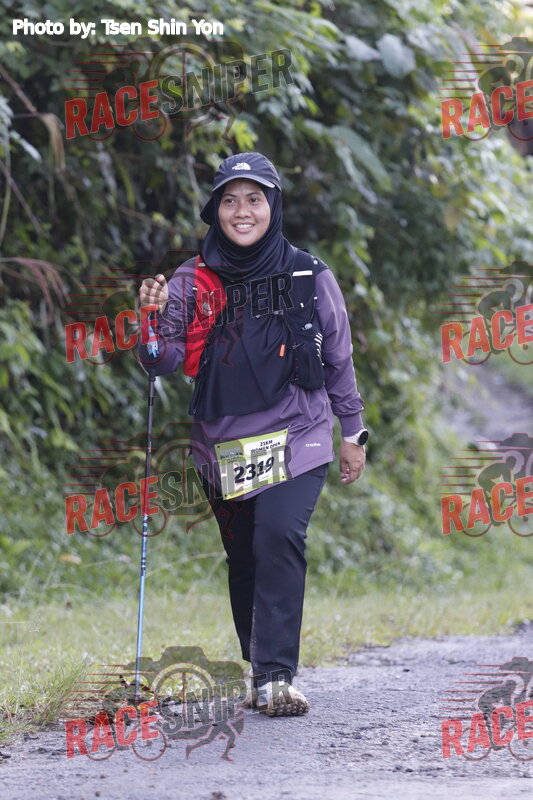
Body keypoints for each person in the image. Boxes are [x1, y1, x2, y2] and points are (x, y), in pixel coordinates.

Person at [139, 152, 367, 717]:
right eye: (230, 200)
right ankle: (258, 665)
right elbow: (162, 361)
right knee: (243, 557)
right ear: (214, 210)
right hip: (223, 447)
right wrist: (150, 320)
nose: (242, 211)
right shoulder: (192, 281)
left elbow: (338, 360)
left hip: (299, 435)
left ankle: (275, 677)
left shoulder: (309, 275)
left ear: (273, 206)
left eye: (254, 199)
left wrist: (353, 432)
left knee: (278, 537)